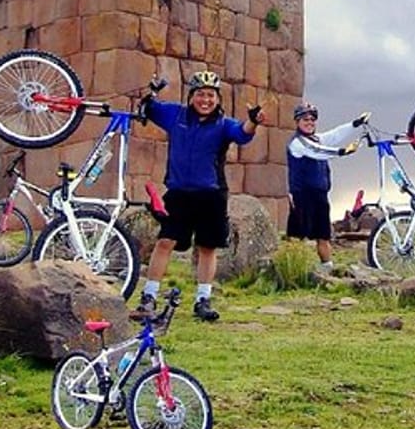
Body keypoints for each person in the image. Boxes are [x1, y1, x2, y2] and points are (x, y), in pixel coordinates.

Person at [133, 69, 266, 322]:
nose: (206, 100)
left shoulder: (223, 124)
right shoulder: (176, 115)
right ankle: (149, 297)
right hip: (179, 193)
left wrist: (253, 121)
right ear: (192, 96)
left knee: (207, 248)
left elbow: (242, 134)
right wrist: (151, 91)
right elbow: (149, 108)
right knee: (165, 242)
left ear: (218, 99)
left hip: (211, 194)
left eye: (211, 96)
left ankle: (202, 300)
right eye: (201, 94)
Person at [286, 102, 368, 271]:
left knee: (322, 235)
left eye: (312, 119)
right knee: (297, 236)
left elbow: (336, 134)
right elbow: (317, 151)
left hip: (320, 194)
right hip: (302, 195)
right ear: (297, 122)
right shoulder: (298, 143)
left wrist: (355, 124)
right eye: (305, 119)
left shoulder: (319, 138)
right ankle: (291, 269)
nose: (309, 122)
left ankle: (327, 268)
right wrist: (342, 152)